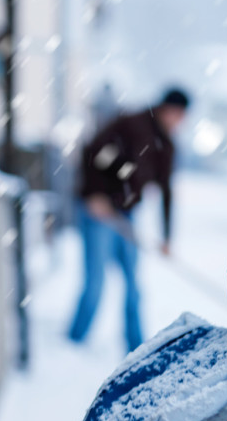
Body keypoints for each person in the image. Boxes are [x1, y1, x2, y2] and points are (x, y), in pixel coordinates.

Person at [68, 87, 189, 352]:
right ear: (165, 108)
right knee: (95, 282)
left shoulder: (166, 146)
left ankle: (135, 345)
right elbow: (95, 154)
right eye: (175, 114)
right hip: (98, 210)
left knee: (133, 284)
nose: (177, 120)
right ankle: (74, 341)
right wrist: (94, 194)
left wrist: (167, 237)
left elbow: (166, 190)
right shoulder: (131, 124)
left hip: (126, 214)